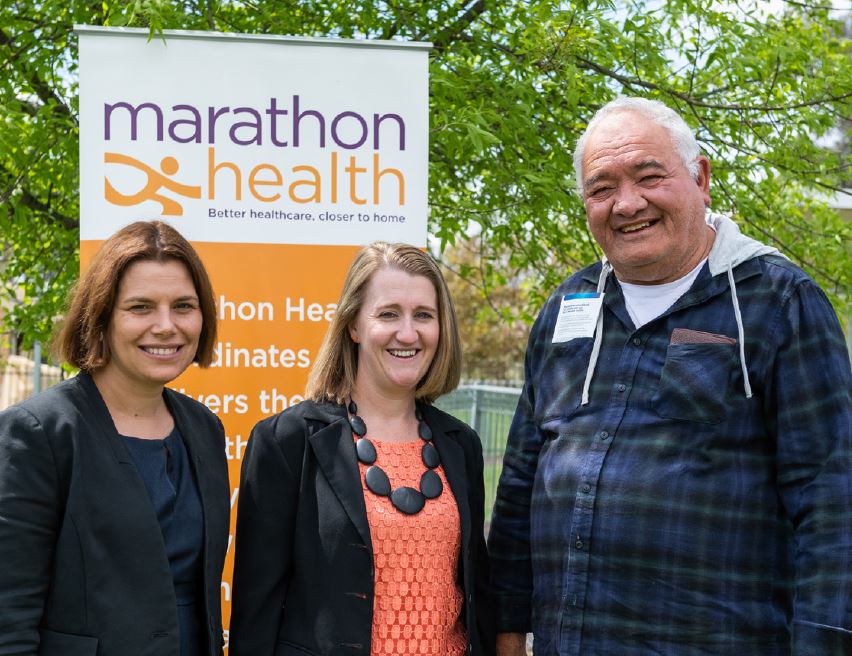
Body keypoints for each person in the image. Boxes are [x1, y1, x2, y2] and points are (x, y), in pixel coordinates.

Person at [488, 97, 852, 655]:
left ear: (701, 177)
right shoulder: (569, 305)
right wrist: (505, 632)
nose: (627, 203)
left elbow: (830, 500)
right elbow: (519, 485)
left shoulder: (778, 302)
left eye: (648, 177)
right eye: (602, 188)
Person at [230, 242, 494, 656]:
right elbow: (256, 614)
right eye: (388, 314)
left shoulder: (462, 446)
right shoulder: (286, 442)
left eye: (423, 315)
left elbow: (478, 595)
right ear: (353, 325)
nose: (408, 333)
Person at [0, 221, 230, 655]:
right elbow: (9, 617)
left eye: (183, 306)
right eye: (140, 307)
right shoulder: (39, 433)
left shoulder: (204, 429)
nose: (166, 326)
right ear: (101, 316)